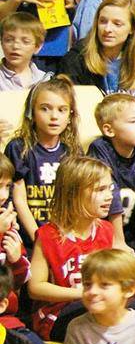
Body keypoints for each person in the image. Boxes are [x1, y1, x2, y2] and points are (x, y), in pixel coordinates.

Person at [25, 156, 116, 340]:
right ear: (74, 194)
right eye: (100, 190)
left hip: (97, 307)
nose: (109, 196)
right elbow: (35, 287)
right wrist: (82, 294)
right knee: (91, 310)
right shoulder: (48, 235)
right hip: (59, 314)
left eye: (110, 189)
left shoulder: (106, 230)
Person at [7, 77, 81, 241]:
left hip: (64, 234)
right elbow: (19, 200)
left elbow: (76, 199)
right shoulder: (18, 148)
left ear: (70, 115)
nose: (54, 116)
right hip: (30, 236)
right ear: (31, 112)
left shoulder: (73, 151)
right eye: (45, 109)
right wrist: (40, 239)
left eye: (62, 110)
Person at [89, 93, 135, 250]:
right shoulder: (100, 149)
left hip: (132, 227)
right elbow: (110, 194)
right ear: (109, 130)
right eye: (133, 122)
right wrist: (118, 242)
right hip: (105, 233)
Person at [59, 0, 135, 102]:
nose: (107, 29)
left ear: (132, 28)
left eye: (117, 24)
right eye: (103, 21)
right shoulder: (76, 60)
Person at [0, 12, 51, 90]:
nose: (15, 46)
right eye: (9, 40)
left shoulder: (45, 80)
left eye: (25, 42)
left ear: (37, 47)